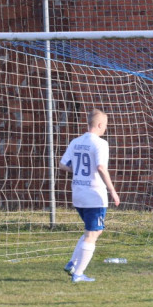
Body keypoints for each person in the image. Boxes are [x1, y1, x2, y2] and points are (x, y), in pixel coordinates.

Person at [59, 108, 120, 283]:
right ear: (100, 125)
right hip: (94, 194)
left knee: (94, 230)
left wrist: (78, 171)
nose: (105, 129)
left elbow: (63, 165)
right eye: (105, 126)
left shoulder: (76, 141)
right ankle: (78, 273)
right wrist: (113, 191)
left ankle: (72, 262)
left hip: (78, 193)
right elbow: (101, 167)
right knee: (92, 234)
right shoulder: (100, 144)